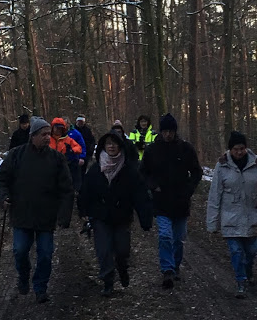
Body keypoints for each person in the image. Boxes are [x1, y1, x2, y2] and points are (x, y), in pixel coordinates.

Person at [0, 117, 74, 303]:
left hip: (46, 215)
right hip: (21, 213)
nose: (47, 137)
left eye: (48, 134)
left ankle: (40, 288)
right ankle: (23, 276)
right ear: (33, 136)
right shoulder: (16, 155)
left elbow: (67, 189)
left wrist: (64, 215)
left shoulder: (57, 159)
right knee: (20, 250)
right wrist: (3, 197)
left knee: (45, 254)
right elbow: (1, 180)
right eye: (43, 134)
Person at [78, 131, 152, 297]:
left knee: (122, 250)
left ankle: (122, 267)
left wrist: (145, 218)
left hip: (122, 216)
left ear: (120, 146)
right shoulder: (95, 170)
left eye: (115, 143)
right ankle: (108, 281)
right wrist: (83, 210)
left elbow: (140, 195)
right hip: (101, 217)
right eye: (108, 143)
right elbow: (85, 192)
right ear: (103, 146)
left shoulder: (129, 170)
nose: (111, 146)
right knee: (103, 250)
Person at [206, 131, 257, 299]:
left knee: (252, 250)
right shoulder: (222, 166)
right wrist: (212, 223)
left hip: (251, 218)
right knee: (236, 251)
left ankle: (248, 271)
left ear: (246, 148)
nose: (239, 152)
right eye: (236, 149)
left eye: (242, 148)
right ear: (230, 149)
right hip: (230, 218)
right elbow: (215, 196)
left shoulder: (256, 165)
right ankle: (240, 281)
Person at [141, 113, 202, 289]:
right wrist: (152, 185)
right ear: (161, 131)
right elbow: (143, 172)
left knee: (179, 239)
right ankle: (167, 269)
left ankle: (175, 266)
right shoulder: (152, 150)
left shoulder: (186, 149)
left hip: (181, 202)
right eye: (165, 131)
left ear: (175, 131)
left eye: (171, 131)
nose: (168, 134)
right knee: (165, 235)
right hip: (161, 202)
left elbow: (197, 172)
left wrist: (188, 190)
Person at [49, 117, 85, 192]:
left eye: (60, 128)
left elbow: (79, 148)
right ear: (53, 128)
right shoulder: (48, 139)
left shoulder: (67, 139)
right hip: (50, 164)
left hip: (65, 164)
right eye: (57, 128)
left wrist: (72, 150)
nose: (58, 130)